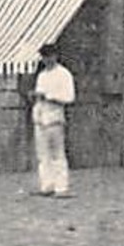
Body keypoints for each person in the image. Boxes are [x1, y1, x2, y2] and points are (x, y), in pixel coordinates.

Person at [31, 42, 76, 198]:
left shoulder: (64, 75)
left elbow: (69, 97)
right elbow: (38, 97)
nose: (47, 60)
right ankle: (47, 185)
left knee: (57, 153)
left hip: (55, 117)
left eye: (49, 56)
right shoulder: (42, 75)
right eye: (44, 57)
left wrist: (50, 97)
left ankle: (61, 187)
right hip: (41, 118)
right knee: (43, 155)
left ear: (55, 56)